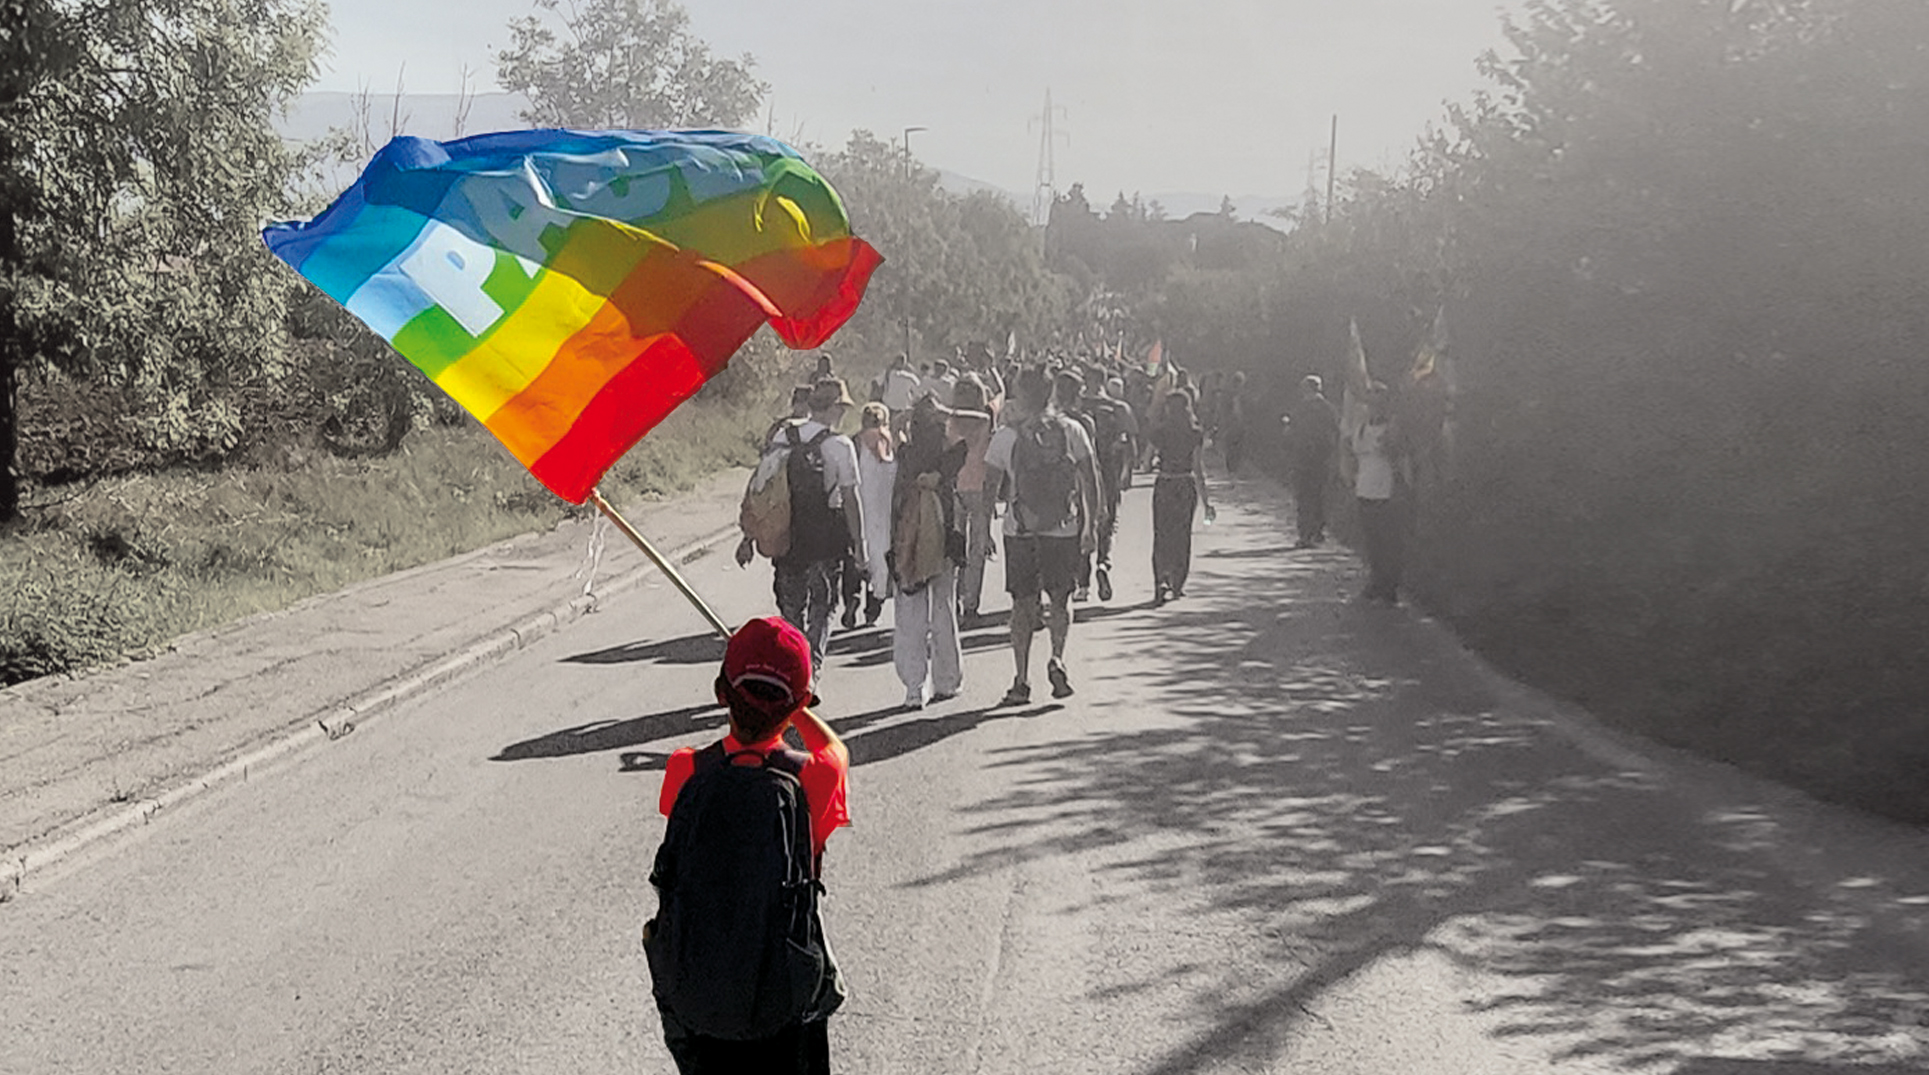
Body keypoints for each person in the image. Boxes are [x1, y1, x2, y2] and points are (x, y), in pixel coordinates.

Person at [649, 616, 850, 1074]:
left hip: (699, 989)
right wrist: (796, 704)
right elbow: (836, 749)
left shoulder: (686, 770)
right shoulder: (814, 777)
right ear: (799, 702)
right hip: (782, 992)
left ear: (721, 692)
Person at [983, 366, 1101, 704]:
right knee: (1061, 599)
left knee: (1022, 606)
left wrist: (982, 531)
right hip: (1063, 529)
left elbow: (990, 487)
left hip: (1020, 531)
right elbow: (1090, 480)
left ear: (1021, 395)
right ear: (1051, 393)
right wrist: (1090, 526)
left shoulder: (1006, 436)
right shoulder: (1073, 430)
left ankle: (1021, 679)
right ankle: (1057, 658)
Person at [767, 378, 865, 672]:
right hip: (826, 536)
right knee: (823, 606)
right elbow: (850, 498)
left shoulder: (783, 437)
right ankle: (811, 669)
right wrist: (860, 546)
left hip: (789, 532)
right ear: (836, 408)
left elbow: (765, 488)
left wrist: (750, 535)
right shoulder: (839, 445)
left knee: (791, 607)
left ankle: (792, 665)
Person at [890, 395, 967, 709]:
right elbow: (967, 434)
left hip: (906, 536)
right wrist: (947, 417)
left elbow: (896, 434)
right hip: (945, 537)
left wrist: (903, 421)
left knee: (910, 612)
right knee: (943, 608)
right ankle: (947, 680)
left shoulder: (906, 454)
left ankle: (913, 686)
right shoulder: (951, 455)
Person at [1148, 390, 1215, 605]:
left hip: (1165, 483)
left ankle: (1161, 579)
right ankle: (1178, 582)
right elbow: (1198, 468)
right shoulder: (1195, 433)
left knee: (1162, 534)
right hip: (1185, 484)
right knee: (1182, 535)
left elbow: (1145, 461)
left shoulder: (1159, 432)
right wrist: (1207, 502)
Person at [1348, 382, 1408, 605]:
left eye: (1376, 405)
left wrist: (1392, 444)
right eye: (1370, 405)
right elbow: (1354, 452)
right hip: (1365, 489)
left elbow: (1398, 455)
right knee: (1372, 542)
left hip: (1386, 490)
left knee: (1388, 542)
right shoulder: (1362, 427)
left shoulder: (1392, 428)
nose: (1372, 409)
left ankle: (1389, 586)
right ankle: (1375, 582)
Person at [947, 374, 999, 625]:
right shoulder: (986, 420)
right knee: (977, 549)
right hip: (980, 487)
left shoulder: (951, 421)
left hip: (955, 486)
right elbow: (1001, 394)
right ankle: (970, 602)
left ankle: (954, 599)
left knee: (956, 547)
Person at [853, 402, 897, 627]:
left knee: (858, 551)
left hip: (860, 502)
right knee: (881, 556)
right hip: (883, 505)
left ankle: (852, 597)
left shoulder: (855, 442)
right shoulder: (888, 440)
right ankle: (873, 607)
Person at [1284, 374, 1339, 548]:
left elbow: (1291, 433)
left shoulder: (1300, 409)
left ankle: (1306, 534)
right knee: (1319, 495)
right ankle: (1318, 531)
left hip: (1303, 459)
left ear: (1306, 389)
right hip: (1323, 458)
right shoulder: (1329, 408)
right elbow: (1337, 431)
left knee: (1304, 497)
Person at [1221, 371, 1250, 475]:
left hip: (1236, 424)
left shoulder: (1239, 395)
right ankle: (1233, 468)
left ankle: (1233, 468)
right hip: (1235, 424)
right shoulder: (1236, 395)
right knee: (1234, 446)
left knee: (1234, 446)